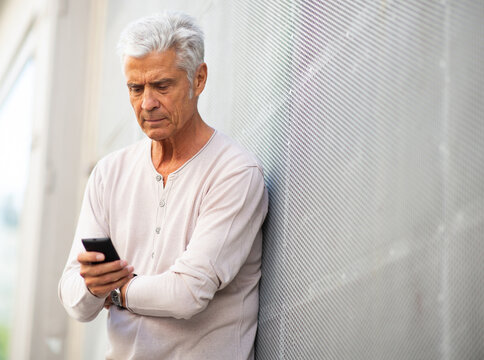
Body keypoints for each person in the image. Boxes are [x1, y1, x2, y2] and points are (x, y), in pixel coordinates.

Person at [58, 11, 268, 360]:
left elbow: (187, 293)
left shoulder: (235, 173)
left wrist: (113, 292)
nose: (147, 103)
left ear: (198, 79)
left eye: (162, 86)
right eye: (135, 88)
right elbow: (74, 296)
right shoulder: (109, 174)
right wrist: (92, 288)